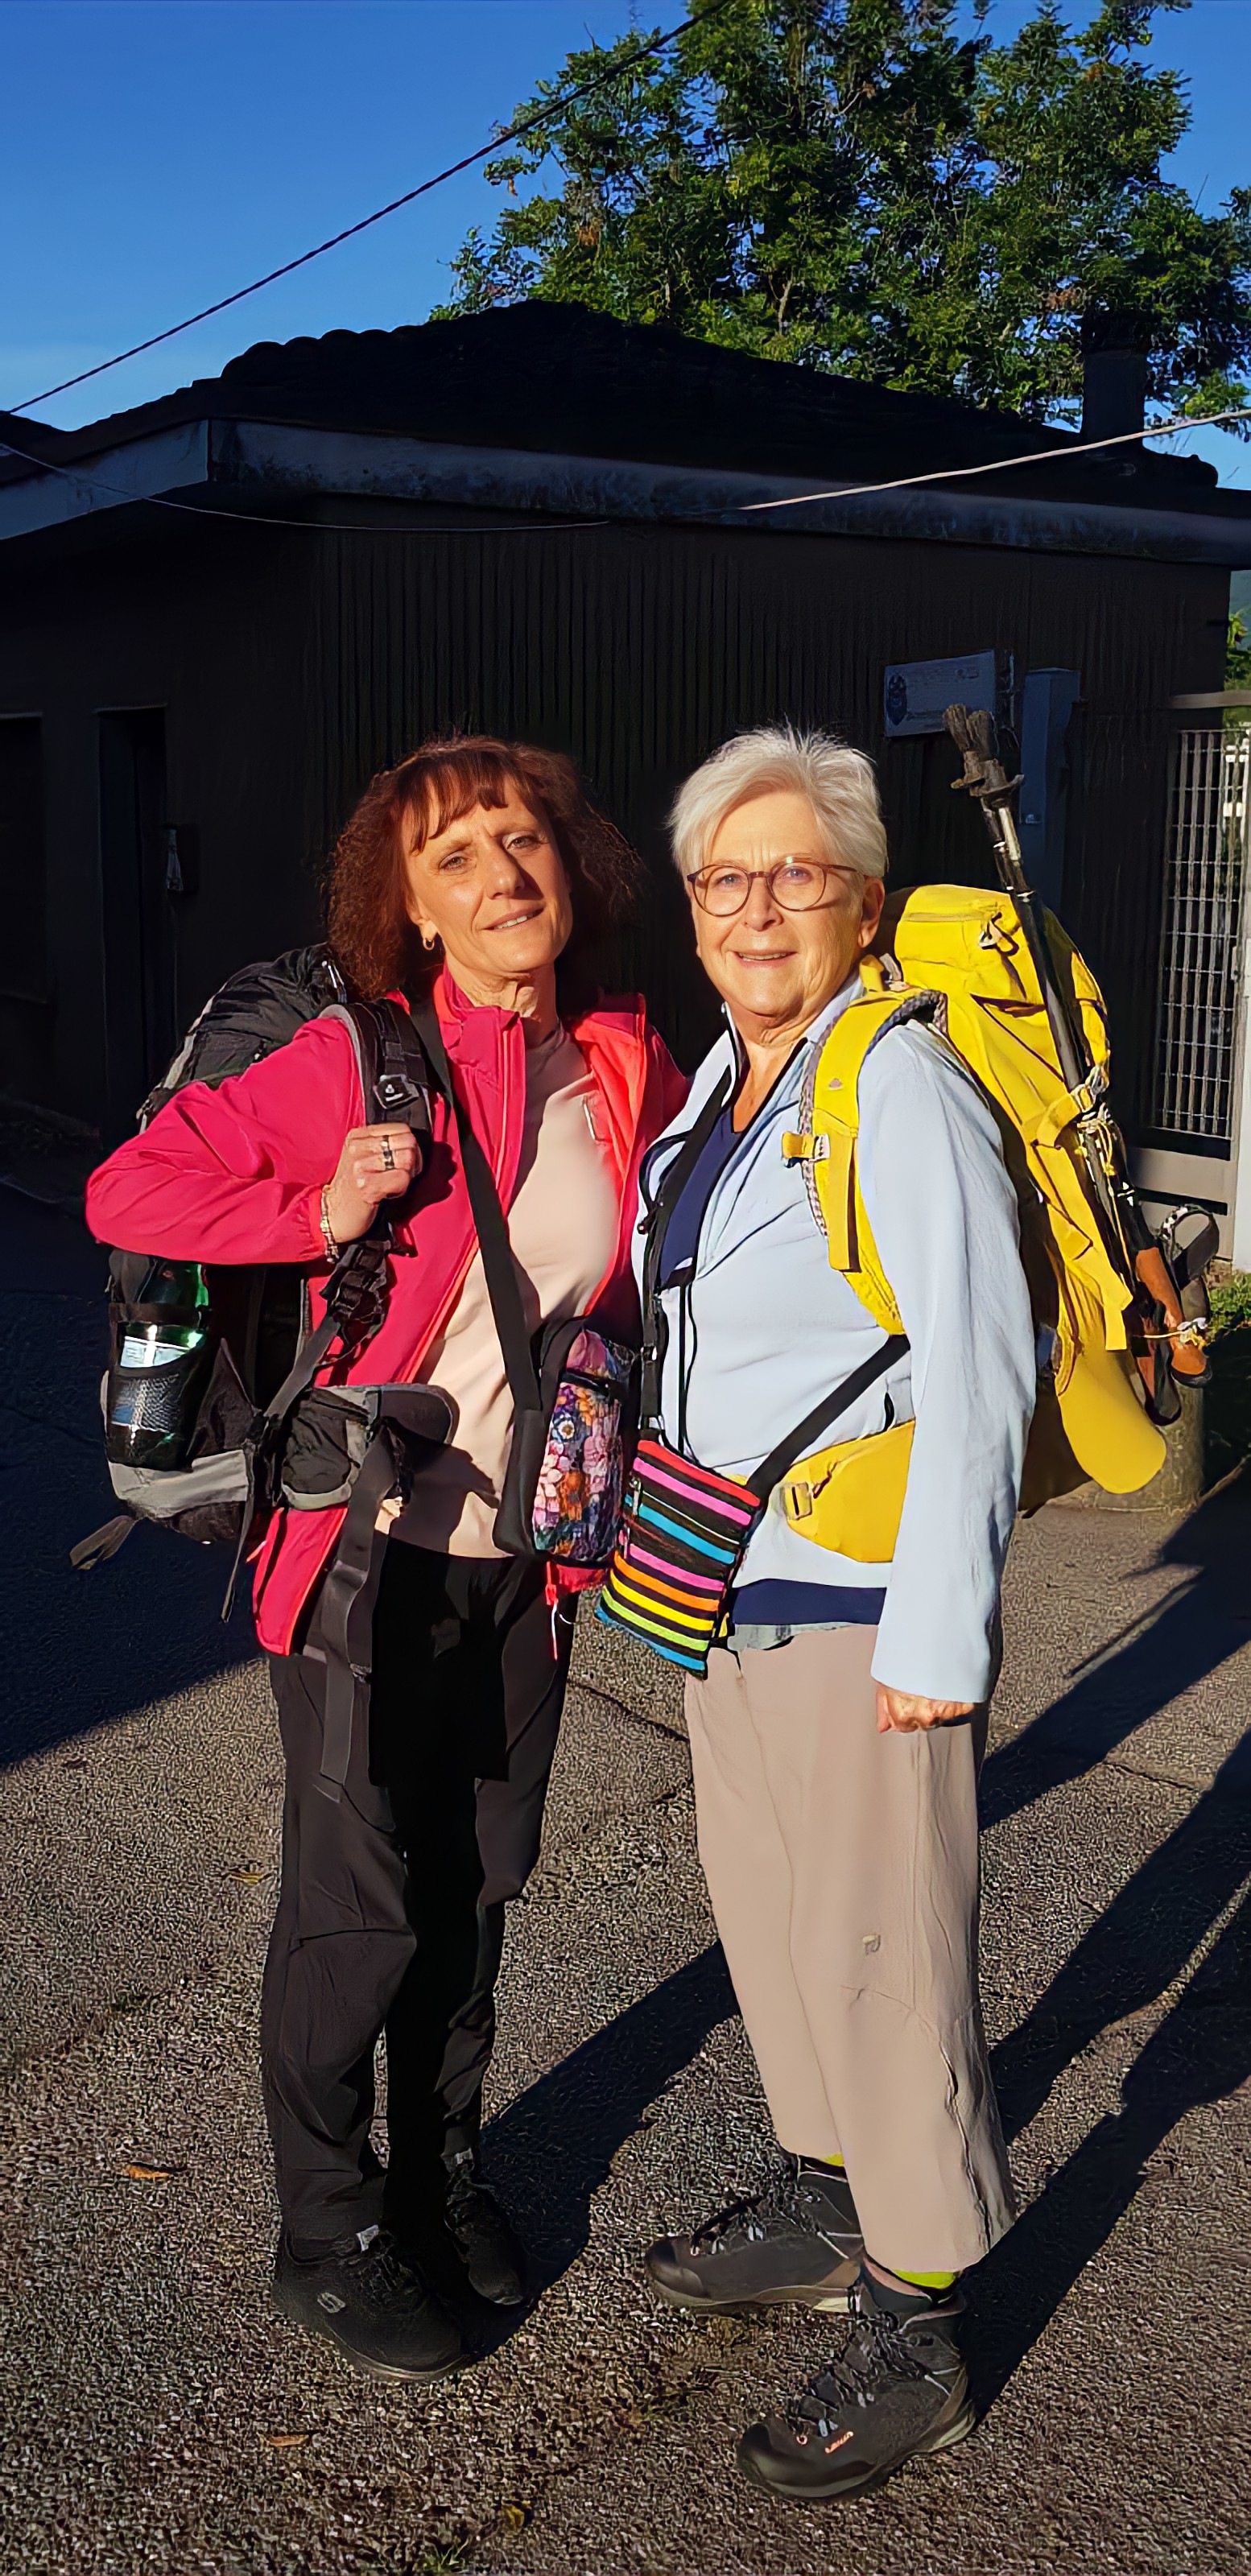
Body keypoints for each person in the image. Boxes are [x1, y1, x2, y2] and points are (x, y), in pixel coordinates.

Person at [86, 736, 685, 2385]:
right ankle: (327, 2224)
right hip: (364, 1550)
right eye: (454, 858)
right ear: (409, 908)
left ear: (571, 861)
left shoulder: (617, 1056)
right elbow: (131, 1186)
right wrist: (316, 1209)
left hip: (528, 1552)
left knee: (476, 1882)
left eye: (521, 839)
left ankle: (439, 2168)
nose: (500, 877)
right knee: (358, 1903)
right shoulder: (363, 1058)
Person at [634, 725, 1035, 2500]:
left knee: (884, 1957)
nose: (756, 908)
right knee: (778, 1924)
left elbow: (980, 1361)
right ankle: (821, 2195)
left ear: (862, 899)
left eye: (795, 873)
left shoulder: (899, 1080)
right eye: (724, 878)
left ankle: (917, 2312)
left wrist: (940, 1639)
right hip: (727, 1585)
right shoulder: (724, 1086)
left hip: (862, 1602)